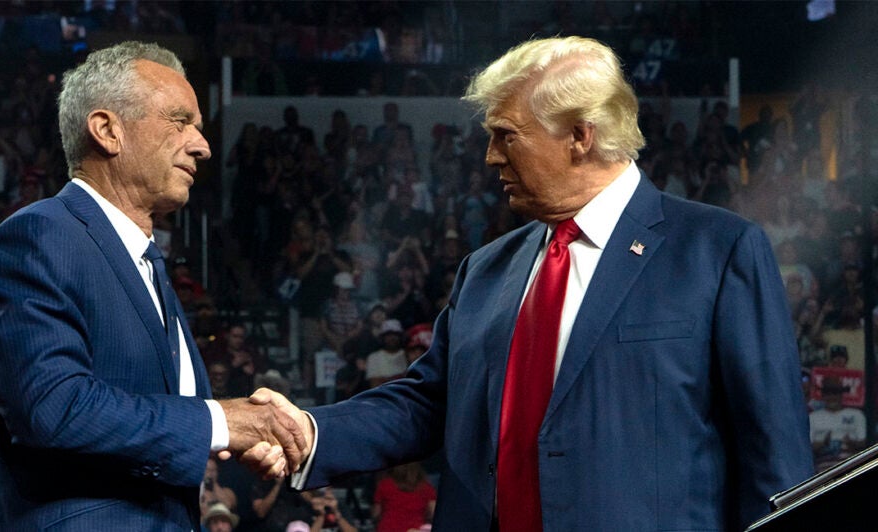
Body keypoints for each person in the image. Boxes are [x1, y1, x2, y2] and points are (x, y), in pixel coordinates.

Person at [253, 36, 812, 530]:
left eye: (506, 136)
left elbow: (774, 457)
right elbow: (430, 403)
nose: (491, 157)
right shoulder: (487, 269)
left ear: (579, 135)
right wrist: (308, 430)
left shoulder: (717, 251)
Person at [0, 41, 307, 530]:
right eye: (179, 121)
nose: (202, 145)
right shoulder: (37, 238)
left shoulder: (146, 262)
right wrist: (220, 422)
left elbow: (161, 427)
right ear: (107, 130)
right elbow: (54, 408)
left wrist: (236, 438)